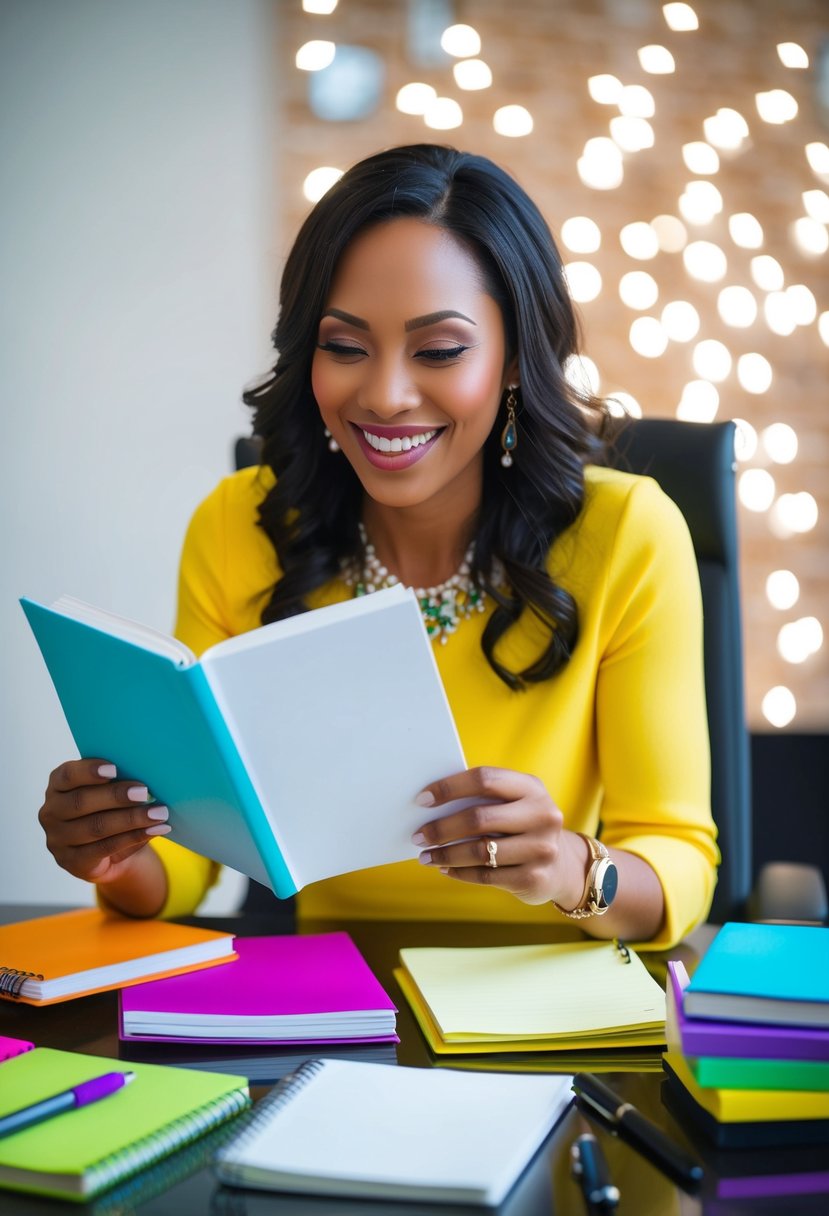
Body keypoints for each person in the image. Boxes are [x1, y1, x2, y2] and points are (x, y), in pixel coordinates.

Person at [38, 144, 718, 948]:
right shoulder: (238, 525)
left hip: (548, 1015)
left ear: (512, 361)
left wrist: (572, 866)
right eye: (345, 346)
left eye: (438, 351)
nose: (386, 395)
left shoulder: (627, 534)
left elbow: (677, 861)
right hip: (334, 1009)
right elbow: (194, 859)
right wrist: (117, 852)